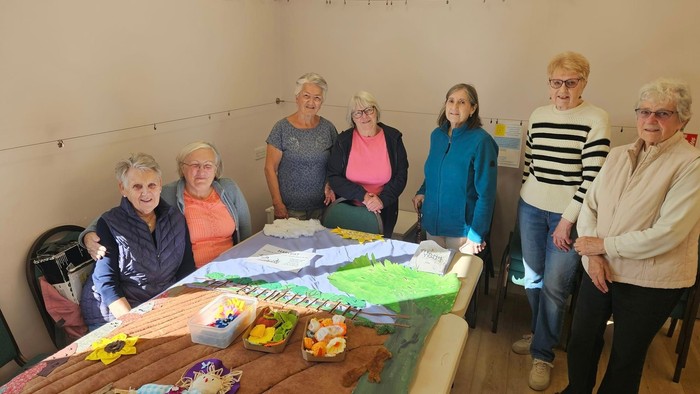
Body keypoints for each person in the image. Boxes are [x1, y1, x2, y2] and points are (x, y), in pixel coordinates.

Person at [562, 78, 700, 393]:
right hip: (600, 269)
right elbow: (589, 206)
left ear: (682, 120)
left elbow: (668, 233)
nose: (650, 120)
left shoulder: (691, 165)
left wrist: (604, 245)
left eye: (663, 114)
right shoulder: (617, 155)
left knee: (626, 357)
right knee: (581, 340)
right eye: (644, 112)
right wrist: (593, 255)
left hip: (650, 281)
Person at [513, 51, 611, 391]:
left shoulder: (596, 118)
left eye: (571, 82)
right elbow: (531, 164)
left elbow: (592, 178)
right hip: (531, 207)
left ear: (584, 82)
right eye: (556, 83)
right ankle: (541, 333)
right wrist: (524, 198)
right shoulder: (538, 115)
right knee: (532, 279)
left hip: (568, 215)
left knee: (555, 288)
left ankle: (543, 353)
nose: (563, 90)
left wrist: (566, 222)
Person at [82, 141, 252, 268]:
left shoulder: (228, 188)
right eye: (194, 165)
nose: (201, 171)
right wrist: (88, 234)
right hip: (195, 272)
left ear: (216, 169)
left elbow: (244, 228)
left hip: (233, 265)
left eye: (208, 165)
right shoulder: (167, 194)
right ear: (182, 169)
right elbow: (120, 214)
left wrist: (246, 262)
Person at [80, 153, 195, 330]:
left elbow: (186, 270)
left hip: (158, 304)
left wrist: (182, 309)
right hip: (114, 312)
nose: (146, 193)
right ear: (123, 189)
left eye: (151, 185)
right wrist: (136, 325)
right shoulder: (109, 223)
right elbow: (107, 284)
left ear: (160, 186)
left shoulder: (176, 219)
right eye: (137, 186)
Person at [412, 83, 498, 254]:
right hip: (433, 224)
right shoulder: (437, 135)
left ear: (473, 108)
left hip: (461, 231)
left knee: (457, 279)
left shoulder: (482, 142)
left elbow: (486, 194)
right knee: (434, 276)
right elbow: (434, 170)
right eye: (451, 101)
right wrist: (422, 190)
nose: (454, 107)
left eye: (462, 102)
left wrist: (477, 234)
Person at [327, 91, 409, 238]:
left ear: (376, 111)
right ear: (352, 118)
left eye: (368, 110)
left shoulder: (393, 138)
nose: (364, 116)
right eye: (358, 113)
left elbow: (401, 176)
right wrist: (363, 196)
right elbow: (334, 176)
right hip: (347, 210)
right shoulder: (343, 141)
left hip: (384, 211)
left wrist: (381, 200)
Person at [264, 72, 338, 220]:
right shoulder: (281, 128)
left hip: (323, 208)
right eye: (306, 96)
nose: (311, 102)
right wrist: (277, 203)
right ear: (296, 98)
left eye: (317, 98)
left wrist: (331, 184)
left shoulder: (328, 128)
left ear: (321, 102)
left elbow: (336, 165)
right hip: (290, 210)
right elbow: (269, 168)